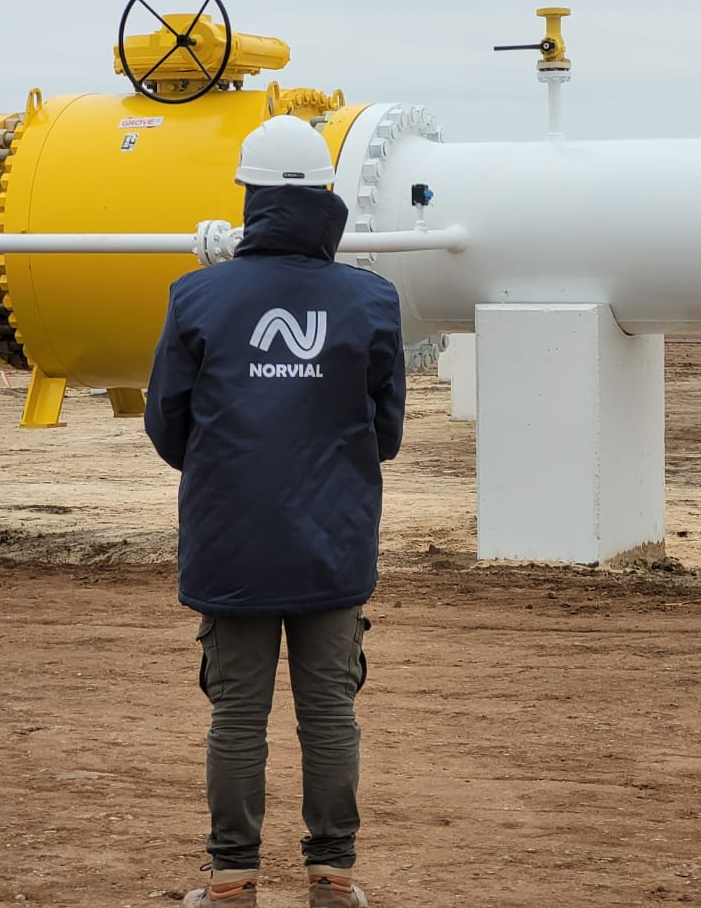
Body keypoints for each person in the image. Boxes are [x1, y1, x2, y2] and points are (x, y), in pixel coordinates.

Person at [144, 114, 407, 908]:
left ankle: (232, 881)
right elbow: (386, 433)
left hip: (232, 542)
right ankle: (332, 877)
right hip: (333, 543)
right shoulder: (371, 300)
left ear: (249, 197)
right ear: (327, 195)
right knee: (328, 715)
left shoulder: (196, 296)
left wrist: (232, 470)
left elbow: (167, 423)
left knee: (236, 717)